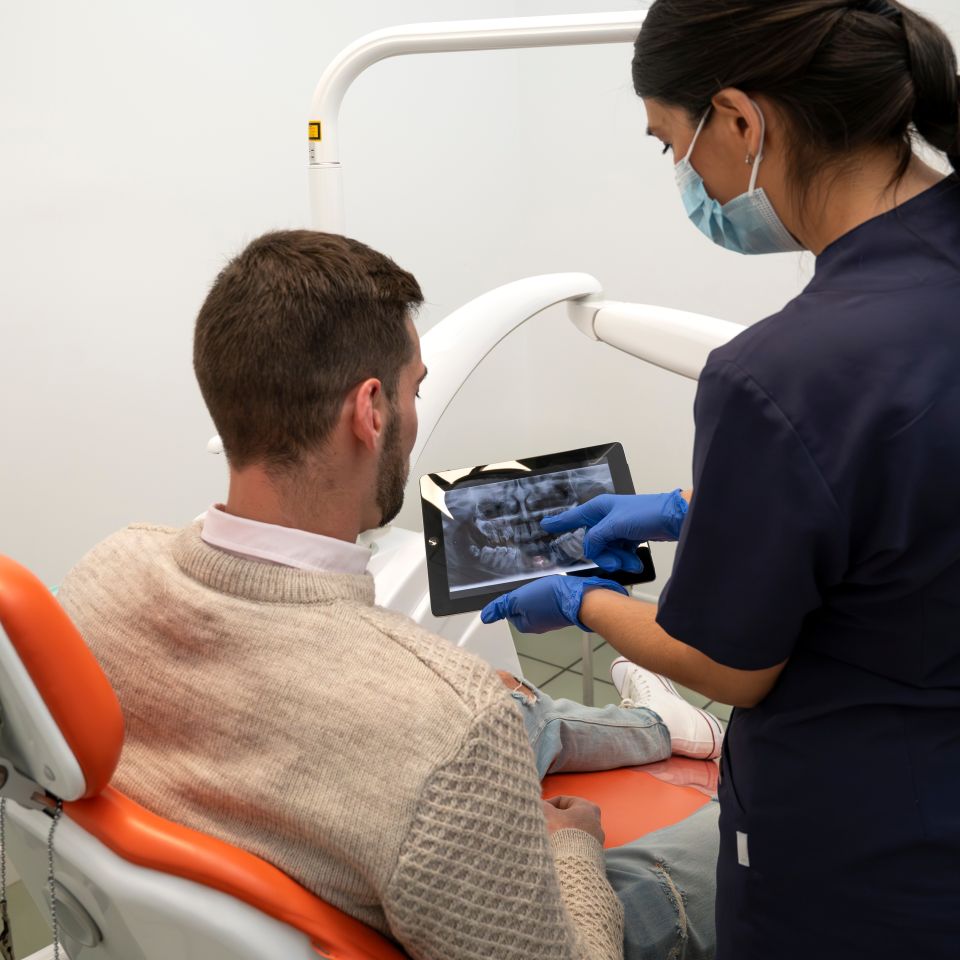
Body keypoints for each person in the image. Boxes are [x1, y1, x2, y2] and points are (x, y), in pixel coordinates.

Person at [57, 230, 722, 960]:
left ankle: (654, 725)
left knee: (508, 708)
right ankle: (667, 744)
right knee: (727, 837)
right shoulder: (444, 723)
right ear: (371, 411)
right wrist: (571, 849)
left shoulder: (103, 577)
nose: (415, 408)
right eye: (416, 387)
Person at [481, 2, 960, 958]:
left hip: (864, 871)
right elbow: (906, 497)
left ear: (742, 119)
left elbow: (729, 666)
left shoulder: (782, 372)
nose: (682, 176)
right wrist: (689, 510)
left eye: (672, 143)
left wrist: (582, 603)